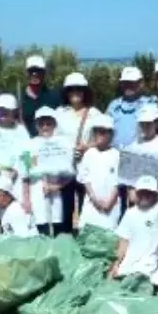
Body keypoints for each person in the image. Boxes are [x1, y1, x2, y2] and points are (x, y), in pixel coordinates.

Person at [56, 72, 102, 232]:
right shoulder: (59, 113)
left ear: (85, 91)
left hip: (87, 167)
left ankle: (85, 242)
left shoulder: (95, 114)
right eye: (71, 89)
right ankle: (65, 242)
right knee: (65, 209)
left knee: (87, 209)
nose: (75, 92)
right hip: (65, 169)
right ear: (66, 92)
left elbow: (103, 138)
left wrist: (87, 147)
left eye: (79, 89)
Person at [108, 176, 158, 287]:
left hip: (149, 268)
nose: (145, 195)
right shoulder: (130, 213)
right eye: (142, 192)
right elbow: (123, 242)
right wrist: (116, 264)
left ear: (155, 194)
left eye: (149, 192)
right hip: (127, 266)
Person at [22, 106, 69, 236]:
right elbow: (25, 174)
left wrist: (56, 186)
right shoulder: (29, 146)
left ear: (54, 124)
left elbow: (69, 174)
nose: (45, 127)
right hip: (37, 192)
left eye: (49, 123)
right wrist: (26, 199)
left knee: (58, 226)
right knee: (41, 228)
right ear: (36, 126)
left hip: (56, 194)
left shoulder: (62, 144)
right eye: (41, 124)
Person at [77, 115, 122, 230]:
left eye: (102, 132)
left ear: (111, 134)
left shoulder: (116, 155)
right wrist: (94, 199)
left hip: (111, 206)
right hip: (91, 205)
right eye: (96, 131)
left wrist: (109, 203)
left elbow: (118, 182)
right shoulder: (89, 154)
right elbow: (85, 178)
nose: (98, 135)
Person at [107, 66, 156, 150]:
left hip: (140, 156)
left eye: (132, 82)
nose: (128, 86)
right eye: (125, 82)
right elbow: (105, 131)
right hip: (115, 155)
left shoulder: (150, 104)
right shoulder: (113, 106)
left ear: (141, 83)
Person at [20, 55, 62, 136]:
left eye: (38, 71)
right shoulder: (19, 98)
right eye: (31, 71)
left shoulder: (55, 97)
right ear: (26, 74)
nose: (35, 74)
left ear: (44, 73)